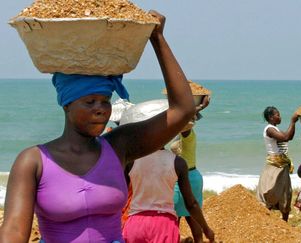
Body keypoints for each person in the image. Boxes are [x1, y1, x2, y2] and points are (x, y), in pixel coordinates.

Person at [0, 11, 196, 243]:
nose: (101, 108)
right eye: (89, 102)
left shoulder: (119, 146)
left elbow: (182, 110)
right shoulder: (33, 161)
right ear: (66, 105)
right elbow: (13, 231)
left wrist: (157, 39)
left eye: (105, 100)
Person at [122, 147, 214, 243]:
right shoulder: (178, 162)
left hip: (135, 225)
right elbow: (191, 204)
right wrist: (206, 229)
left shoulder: (131, 160)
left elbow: (119, 197)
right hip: (164, 225)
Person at [172, 95, 210, 243]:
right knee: (189, 217)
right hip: (188, 177)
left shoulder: (187, 134)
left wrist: (200, 107)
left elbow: (182, 122)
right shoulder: (180, 135)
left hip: (186, 178)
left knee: (176, 218)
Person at [256, 106, 298, 221]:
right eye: (277, 115)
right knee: (269, 191)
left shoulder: (275, 129)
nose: (280, 117)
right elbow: (286, 137)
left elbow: (290, 136)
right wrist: (292, 121)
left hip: (281, 164)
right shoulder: (269, 129)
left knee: (285, 193)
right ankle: (264, 221)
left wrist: (293, 124)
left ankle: (284, 223)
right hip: (274, 165)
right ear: (271, 117)